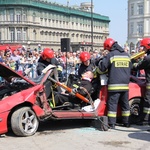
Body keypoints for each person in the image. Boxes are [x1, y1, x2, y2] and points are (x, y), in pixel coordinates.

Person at [98, 38, 132, 129]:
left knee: (112, 104)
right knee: (125, 104)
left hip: (114, 85)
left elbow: (102, 68)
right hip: (125, 85)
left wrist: (103, 59)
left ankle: (112, 123)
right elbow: (131, 68)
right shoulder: (126, 55)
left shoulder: (111, 55)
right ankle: (126, 122)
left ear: (109, 46)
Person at [133, 38, 150, 125]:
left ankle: (146, 120)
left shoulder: (147, 58)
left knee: (147, 102)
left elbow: (139, 66)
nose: (143, 49)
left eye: (143, 47)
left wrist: (133, 64)